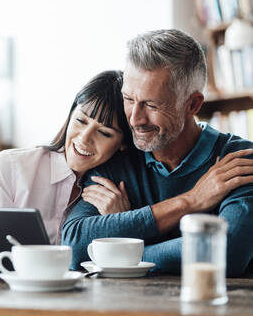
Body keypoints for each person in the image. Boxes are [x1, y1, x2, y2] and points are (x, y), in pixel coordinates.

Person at [62, 29, 253, 277]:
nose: (135, 119)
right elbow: (73, 245)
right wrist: (191, 201)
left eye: (151, 105)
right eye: (129, 99)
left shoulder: (238, 161)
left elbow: (225, 253)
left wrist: (120, 245)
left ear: (193, 104)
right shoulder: (117, 155)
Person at [0, 70, 133, 275]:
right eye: (81, 121)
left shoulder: (123, 190)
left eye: (104, 133)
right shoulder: (10, 168)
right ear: (70, 115)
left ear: (123, 143)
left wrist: (119, 224)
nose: (85, 138)